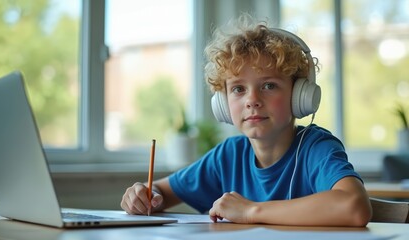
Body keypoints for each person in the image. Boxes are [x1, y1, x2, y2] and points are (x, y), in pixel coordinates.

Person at [121, 14, 372, 227]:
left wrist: (251, 211)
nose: (252, 100)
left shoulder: (315, 148)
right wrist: (144, 194)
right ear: (223, 101)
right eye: (238, 89)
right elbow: (161, 192)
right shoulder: (228, 156)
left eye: (269, 85)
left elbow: (354, 206)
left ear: (300, 96)